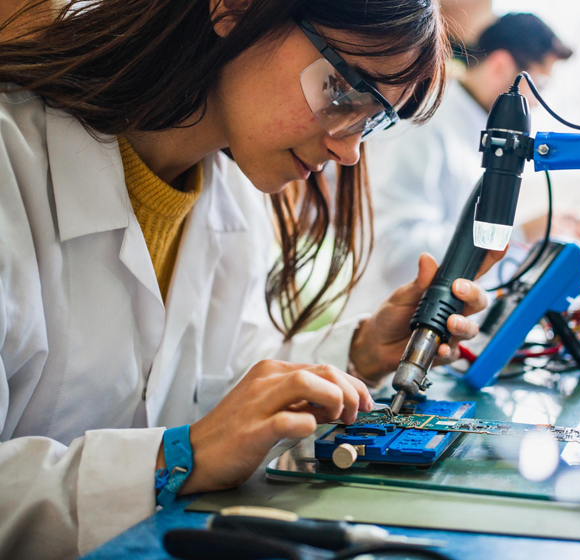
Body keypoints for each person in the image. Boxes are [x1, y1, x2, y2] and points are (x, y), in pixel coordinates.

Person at [0, 2, 505, 558]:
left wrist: (361, 350)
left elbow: (222, 384)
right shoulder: (11, 167)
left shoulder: (231, 194)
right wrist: (177, 457)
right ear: (234, 10)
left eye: (373, 119)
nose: (348, 150)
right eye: (346, 90)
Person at [344, 13, 577, 316]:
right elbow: (399, 255)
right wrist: (518, 234)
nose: (535, 103)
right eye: (539, 86)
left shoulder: (473, 125)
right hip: (387, 326)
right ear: (501, 67)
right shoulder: (424, 122)